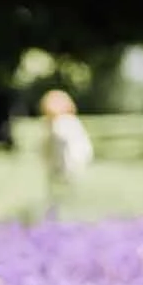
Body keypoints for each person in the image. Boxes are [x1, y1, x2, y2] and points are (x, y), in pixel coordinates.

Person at [38, 88, 93, 216]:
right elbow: (44, 148)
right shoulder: (51, 124)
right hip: (57, 165)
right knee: (57, 195)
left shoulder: (65, 123)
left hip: (69, 163)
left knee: (65, 194)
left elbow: (77, 147)